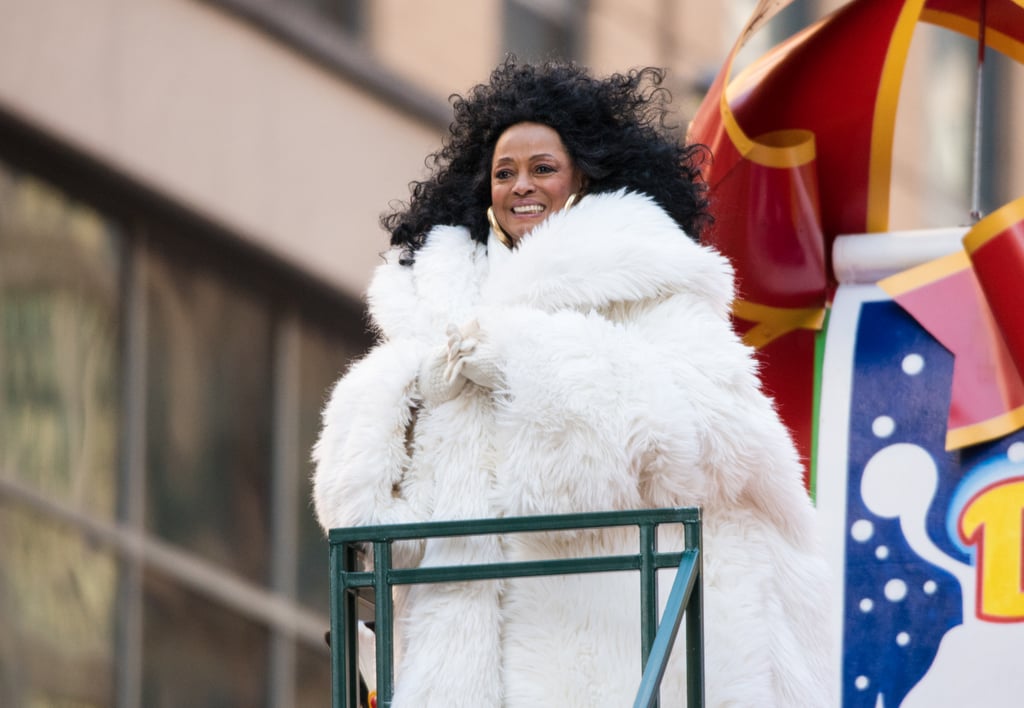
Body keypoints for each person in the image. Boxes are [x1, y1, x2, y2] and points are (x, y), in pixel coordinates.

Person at [313, 58, 834, 707]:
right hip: (462, 667)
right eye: (504, 173)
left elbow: (708, 448)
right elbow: (365, 521)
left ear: (583, 176)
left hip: (617, 659)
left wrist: (528, 357)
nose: (520, 186)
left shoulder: (649, 288)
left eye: (542, 168)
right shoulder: (428, 324)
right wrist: (389, 397)